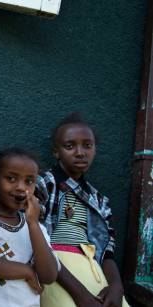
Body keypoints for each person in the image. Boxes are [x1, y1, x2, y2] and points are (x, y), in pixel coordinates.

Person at [37, 113, 129, 307]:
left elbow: (107, 251)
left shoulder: (98, 199)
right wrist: (81, 295)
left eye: (87, 145)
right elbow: (35, 239)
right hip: (57, 271)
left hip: (93, 270)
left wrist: (116, 286)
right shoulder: (46, 184)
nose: (80, 152)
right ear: (56, 151)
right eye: (70, 146)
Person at [0, 147, 58, 307]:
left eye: (29, 181)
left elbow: (48, 275)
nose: (21, 187)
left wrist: (33, 224)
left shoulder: (35, 227)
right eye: (11, 179)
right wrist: (26, 271)